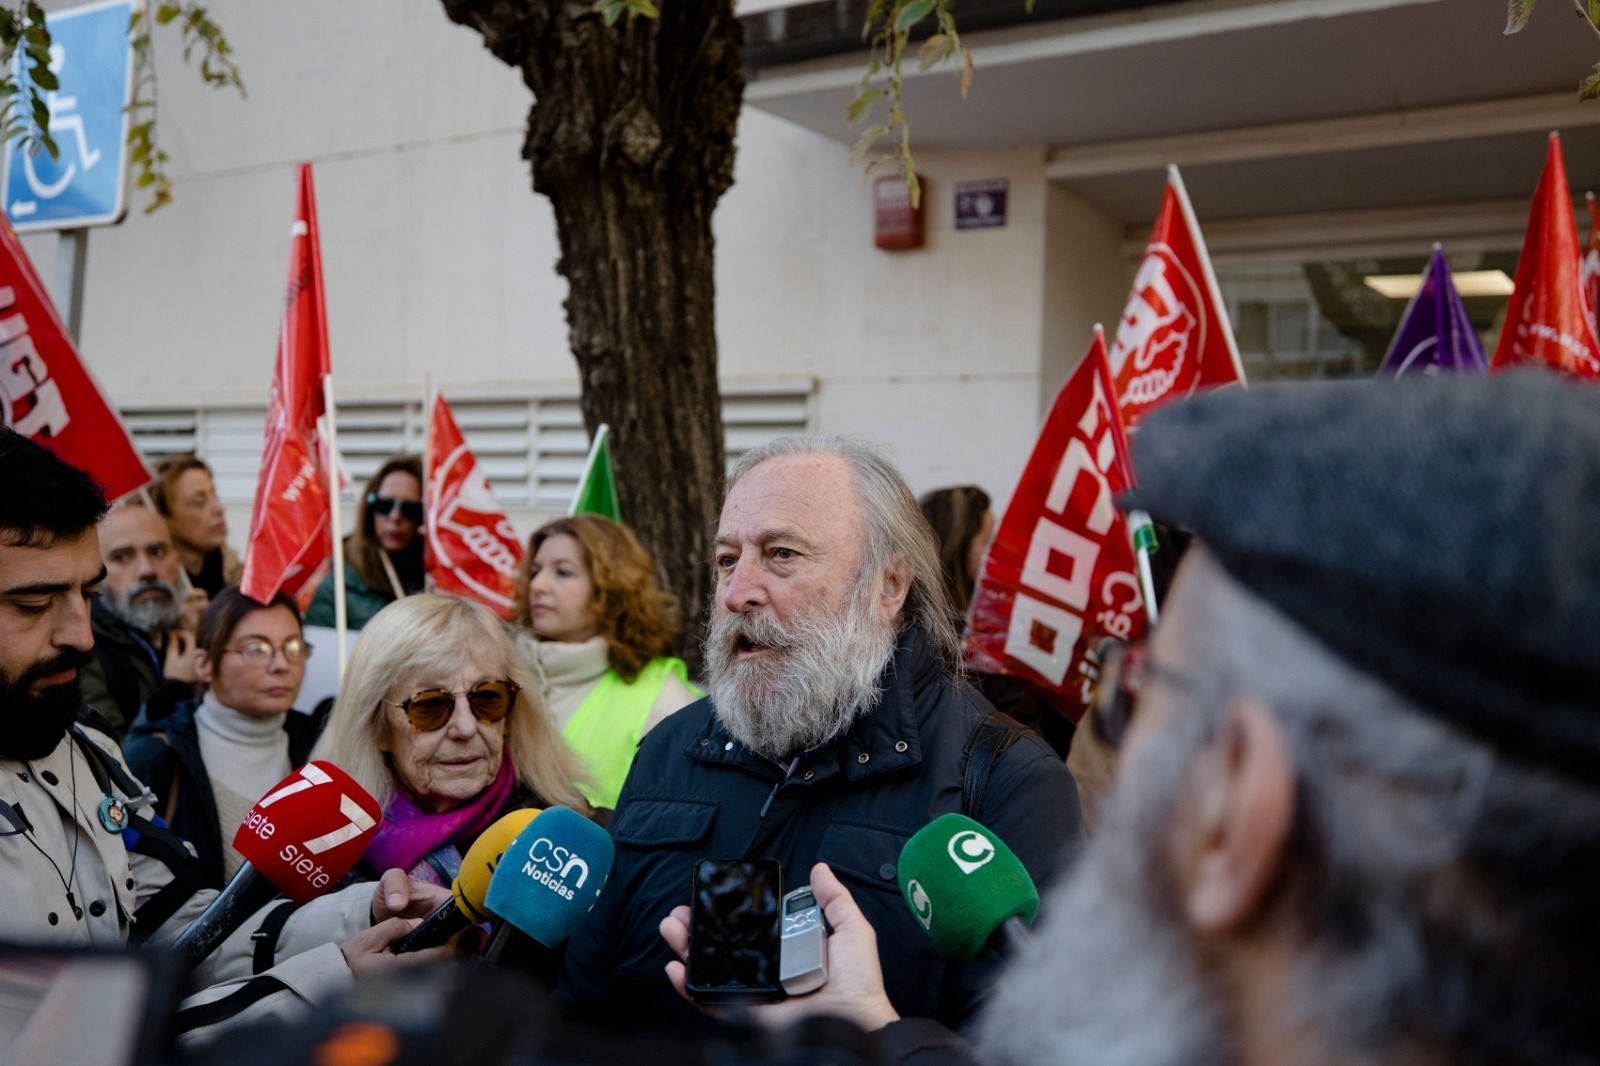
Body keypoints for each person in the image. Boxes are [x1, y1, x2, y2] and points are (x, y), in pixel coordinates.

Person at [733, 371, 1600, 1066]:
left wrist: (880, 1037)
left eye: (1133, 692)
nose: (739, 588)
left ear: (1237, 805)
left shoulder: (998, 773)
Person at [557, 435, 1082, 1031]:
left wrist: (875, 1035)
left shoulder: (1008, 781)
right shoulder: (669, 749)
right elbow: (582, 1015)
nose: (737, 593)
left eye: (781, 554)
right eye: (727, 559)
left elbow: (1049, 1046)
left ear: (889, 587)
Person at [0, 430, 454, 1048]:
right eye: (33, 603)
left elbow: (189, 931)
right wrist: (325, 980)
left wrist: (364, 913)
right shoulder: (144, 747)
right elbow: (71, 1043)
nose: (81, 634)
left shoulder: (90, 755)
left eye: (88, 593)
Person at [313, 593, 589, 885]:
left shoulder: (564, 834)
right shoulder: (324, 843)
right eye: (429, 706)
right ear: (378, 728)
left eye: (487, 698)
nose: (466, 727)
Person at [123, 587, 326, 888]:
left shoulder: (320, 745)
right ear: (204, 664)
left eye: (293, 647)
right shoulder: (156, 758)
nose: (282, 665)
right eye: (256, 649)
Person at [513, 515, 700, 810]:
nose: (538, 585)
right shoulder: (503, 672)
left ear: (611, 587)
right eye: (535, 571)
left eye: (563, 572)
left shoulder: (663, 697)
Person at [917, 484, 1075, 759]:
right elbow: (1027, 746)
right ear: (959, 545)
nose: (1000, 551)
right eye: (988, 540)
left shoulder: (916, 628)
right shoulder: (970, 644)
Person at [77, 501, 200, 739]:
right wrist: (174, 690)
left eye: (157, 552)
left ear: (177, 559)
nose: (146, 570)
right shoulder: (83, 651)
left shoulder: (188, 632)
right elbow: (113, 763)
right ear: (95, 571)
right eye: (122, 557)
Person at [305, 457, 425, 631]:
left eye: (410, 509)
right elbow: (321, 648)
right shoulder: (339, 581)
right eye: (384, 505)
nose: (395, 517)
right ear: (369, 511)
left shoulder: (436, 575)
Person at [152, 455, 241, 599]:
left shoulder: (234, 572)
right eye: (199, 502)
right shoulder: (152, 588)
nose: (219, 508)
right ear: (165, 519)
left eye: (215, 495)